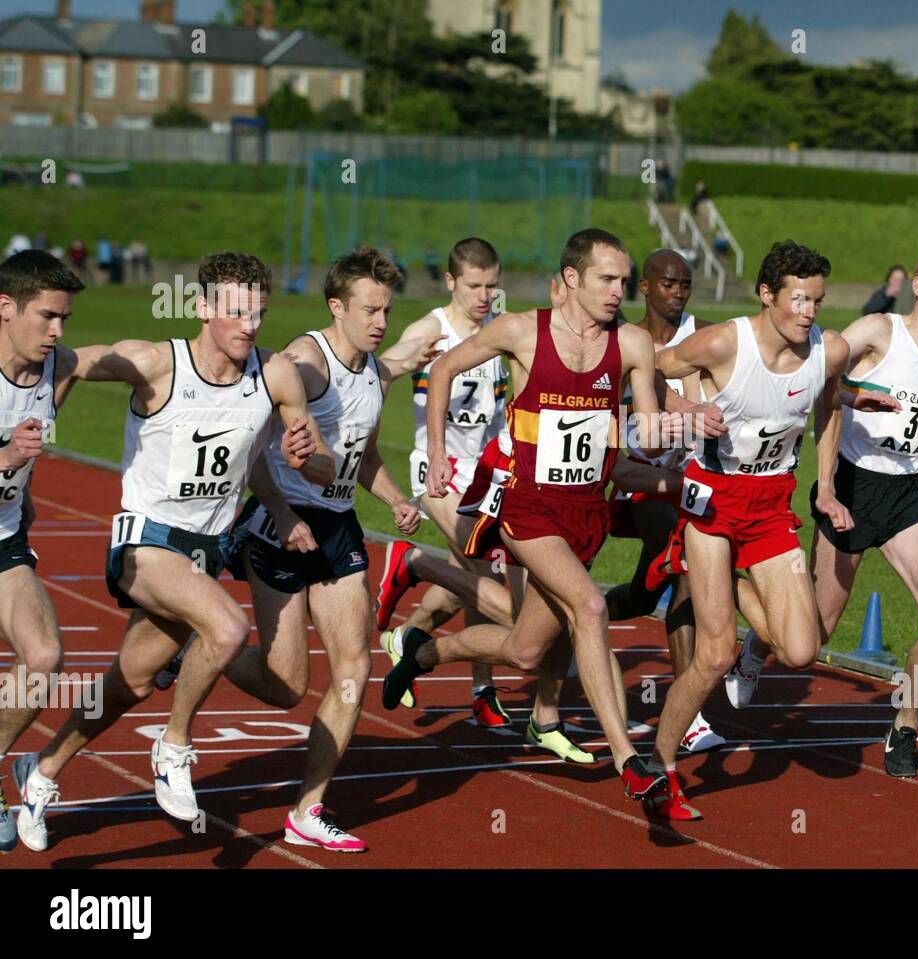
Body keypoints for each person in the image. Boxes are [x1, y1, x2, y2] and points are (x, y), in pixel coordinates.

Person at [11, 252, 333, 853]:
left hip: (203, 550)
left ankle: (42, 771)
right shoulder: (156, 362)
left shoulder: (277, 375)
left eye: (259, 313)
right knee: (228, 628)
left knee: (126, 685)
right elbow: (68, 360)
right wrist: (41, 420)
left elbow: (317, 461)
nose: (250, 325)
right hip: (145, 541)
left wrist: (304, 458)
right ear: (204, 308)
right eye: (237, 313)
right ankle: (175, 746)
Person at [382, 228, 681, 802]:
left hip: (587, 514)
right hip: (528, 507)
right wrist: (440, 453)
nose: (620, 291)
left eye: (624, 280)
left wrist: (677, 425)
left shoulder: (634, 346)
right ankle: (629, 759)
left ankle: (422, 651)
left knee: (524, 650)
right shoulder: (523, 330)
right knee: (590, 605)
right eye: (607, 279)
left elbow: (644, 428)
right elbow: (441, 370)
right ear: (572, 278)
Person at [725, 246, 918, 781]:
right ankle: (752, 649)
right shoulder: (877, 331)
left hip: (910, 490)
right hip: (853, 483)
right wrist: (855, 397)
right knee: (814, 632)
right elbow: (821, 378)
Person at [217, 247, 436, 851]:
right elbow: (250, 451)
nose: (380, 322)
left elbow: (359, 453)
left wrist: (393, 498)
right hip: (278, 526)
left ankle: (308, 808)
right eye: (369, 309)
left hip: (337, 526)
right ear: (336, 307)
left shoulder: (372, 371)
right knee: (287, 685)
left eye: (387, 310)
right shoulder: (304, 365)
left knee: (354, 668)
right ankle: (195, 649)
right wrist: (285, 514)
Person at [641, 240, 859, 818]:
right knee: (713, 653)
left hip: (770, 507)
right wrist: (687, 411)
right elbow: (650, 369)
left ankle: (727, 581)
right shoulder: (722, 343)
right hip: (712, 504)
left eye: (816, 299)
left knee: (802, 648)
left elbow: (830, 406)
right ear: (767, 296)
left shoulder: (828, 351)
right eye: (798, 299)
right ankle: (659, 765)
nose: (809, 311)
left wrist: (829, 485)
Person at [372, 238, 584, 762]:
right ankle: (411, 564)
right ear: (451, 283)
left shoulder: (503, 328)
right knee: (493, 582)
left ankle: (448, 665)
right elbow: (378, 368)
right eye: (474, 286)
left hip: (490, 473)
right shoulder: (429, 329)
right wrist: (401, 366)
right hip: (439, 470)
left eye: (492, 285)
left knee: (477, 579)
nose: (485, 295)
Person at [604, 249, 725, 754]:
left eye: (685, 285)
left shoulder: (706, 337)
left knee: (643, 593)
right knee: (686, 572)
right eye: (668, 283)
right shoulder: (624, 343)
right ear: (646, 287)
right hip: (643, 481)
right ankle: (689, 715)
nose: (678, 293)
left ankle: (584, 617)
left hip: (697, 479)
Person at [0, 251, 85, 851]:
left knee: (45, 655)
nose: (57, 331)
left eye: (65, 318)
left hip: (3, 542)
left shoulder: (61, 366)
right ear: (5, 308)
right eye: (47, 316)